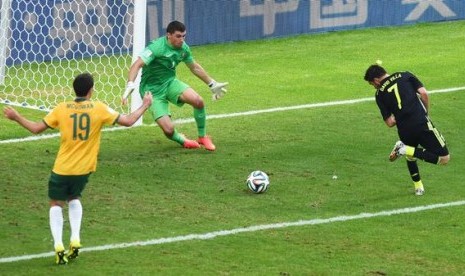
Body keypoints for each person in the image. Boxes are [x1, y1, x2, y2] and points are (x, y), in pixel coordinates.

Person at [3, 73, 152, 265]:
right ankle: (75, 237)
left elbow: (35, 128)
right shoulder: (99, 108)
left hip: (62, 168)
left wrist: (16, 117)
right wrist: (145, 104)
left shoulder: (61, 109)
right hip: (83, 170)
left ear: (75, 90)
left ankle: (58, 245)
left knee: (56, 203)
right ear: (91, 91)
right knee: (74, 198)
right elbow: (129, 121)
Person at [122, 20, 228, 151]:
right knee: (168, 130)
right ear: (169, 35)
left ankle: (202, 136)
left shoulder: (184, 48)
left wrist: (212, 83)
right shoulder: (156, 48)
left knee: (198, 101)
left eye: (184, 36)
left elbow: (194, 67)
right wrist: (130, 83)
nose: (182, 39)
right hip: (152, 91)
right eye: (178, 36)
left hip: (170, 83)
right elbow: (136, 65)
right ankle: (182, 139)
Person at [364, 64, 450, 196]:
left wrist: (400, 114)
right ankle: (403, 149)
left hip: (404, 128)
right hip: (421, 123)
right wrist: (425, 112)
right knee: (444, 158)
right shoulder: (405, 75)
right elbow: (424, 93)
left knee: (411, 156)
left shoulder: (379, 94)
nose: (374, 86)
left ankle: (418, 186)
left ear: (376, 80)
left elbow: (390, 122)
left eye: (372, 84)